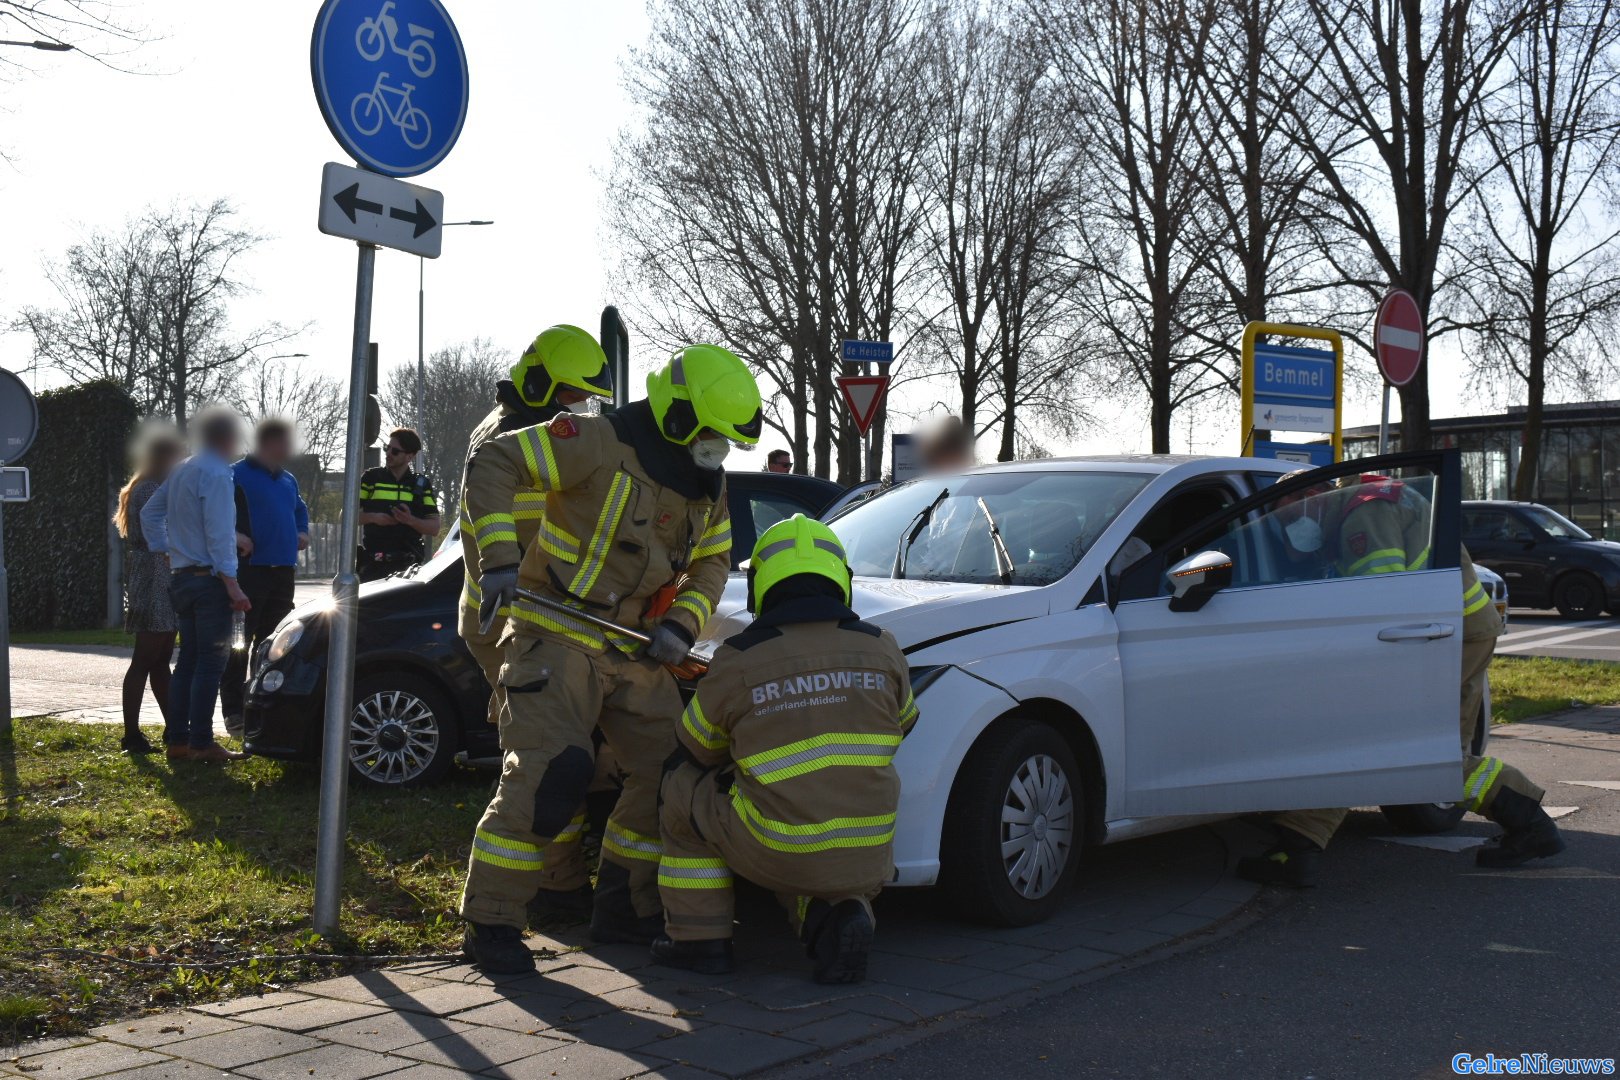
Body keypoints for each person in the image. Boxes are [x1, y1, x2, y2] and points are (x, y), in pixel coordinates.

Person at [458, 343, 762, 974]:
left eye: (727, 439)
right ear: (678, 417)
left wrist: (682, 622)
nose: (718, 448)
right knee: (552, 770)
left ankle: (623, 905)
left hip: (631, 647)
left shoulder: (706, 482)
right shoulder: (593, 440)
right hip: (553, 632)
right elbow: (494, 463)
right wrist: (500, 562)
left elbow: (713, 561)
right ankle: (491, 923)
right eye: (712, 433)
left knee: (670, 773)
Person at [1238, 473, 1565, 887]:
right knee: (1426, 749)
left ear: (1311, 498)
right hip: (1455, 628)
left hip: (1437, 634)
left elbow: (1386, 599)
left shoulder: (1363, 518)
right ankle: (1531, 826)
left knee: (1383, 742)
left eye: (1287, 514)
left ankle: (1300, 845)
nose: (1290, 526)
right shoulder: (1369, 501)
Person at [651, 515, 917, 983]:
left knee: (682, 790)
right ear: (842, 581)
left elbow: (695, 747)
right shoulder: (883, 648)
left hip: (779, 849)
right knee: (804, 813)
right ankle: (841, 914)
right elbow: (904, 723)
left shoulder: (740, 657)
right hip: (871, 852)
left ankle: (698, 940)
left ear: (759, 587)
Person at [456, 325, 614, 924]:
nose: (577, 407)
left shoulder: (518, 428)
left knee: (557, 748)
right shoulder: (505, 440)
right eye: (570, 394)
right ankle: (554, 886)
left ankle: (561, 878)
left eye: (584, 399)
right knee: (549, 754)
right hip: (514, 623)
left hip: (521, 619)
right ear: (542, 380)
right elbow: (532, 541)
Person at [140, 407, 251, 764]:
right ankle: (202, 743)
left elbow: (149, 514)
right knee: (210, 664)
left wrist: (164, 548)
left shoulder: (183, 468)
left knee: (187, 660)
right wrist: (232, 583)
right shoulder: (217, 473)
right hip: (209, 580)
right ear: (228, 438)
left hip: (182, 579)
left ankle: (178, 740)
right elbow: (219, 534)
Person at [220, 418, 311, 735]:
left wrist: (302, 531)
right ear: (267, 443)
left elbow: (300, 510)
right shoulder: (235, 474)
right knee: (239, 643)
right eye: (284, 442)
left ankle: (260, 705)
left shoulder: (288, 479)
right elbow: (215, 514)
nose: (289, 448)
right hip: (249, 571)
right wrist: (233, 536)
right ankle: (233, 711)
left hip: (282, 572)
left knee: (273, 645)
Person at [114, 427, 187, 755]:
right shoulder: (148, 489)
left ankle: (174, 730)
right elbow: (164, 531)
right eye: (177, 455)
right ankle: (131, 735)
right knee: (145, 659)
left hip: (163, 578)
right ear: (162, 457)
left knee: (159, 661)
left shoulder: (157, 486)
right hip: (154, 578)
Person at [356, 428, 440, 581]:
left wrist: (410, 520)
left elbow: (434, 528)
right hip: (373, 567)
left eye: (395, 451)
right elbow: (345, 517)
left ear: (410, 456)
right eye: (387, 448)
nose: (388, 454)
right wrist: (373, 517)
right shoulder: (371, 478)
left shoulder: (421, 485)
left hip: (408, 570)